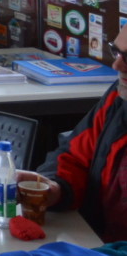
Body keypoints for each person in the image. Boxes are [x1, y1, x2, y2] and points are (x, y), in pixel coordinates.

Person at [17, 24, 127, 242]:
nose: (117, 64)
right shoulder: (118, 98)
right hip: (95, 242)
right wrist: (55, 188)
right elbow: (74, 157)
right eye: (117, 52)